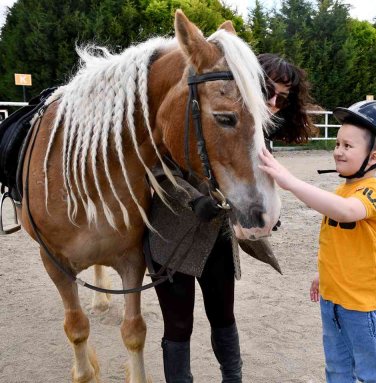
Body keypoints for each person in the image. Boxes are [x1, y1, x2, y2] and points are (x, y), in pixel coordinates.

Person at [145, 54, 315, 383]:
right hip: (172, 234)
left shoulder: (255, 132)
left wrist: (261, 212)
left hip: (217, 237)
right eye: (269, 92)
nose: (274, 103)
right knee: (179, 326)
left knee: (224, 317)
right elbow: (158, 167)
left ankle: (233, 379)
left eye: (282, 98)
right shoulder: (195, 109)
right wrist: (192, 199)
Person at [259, 100, 376, 383]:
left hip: (364, 308)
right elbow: (339, 240)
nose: (338, 151)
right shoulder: (343, 189)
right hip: (333, 300)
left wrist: (290, 181)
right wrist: (323, 274)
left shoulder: (373, 193)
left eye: (348, 146)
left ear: (373, 158)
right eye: (337, 143)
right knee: (337, 370)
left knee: (372, 373)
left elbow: (347, 212)